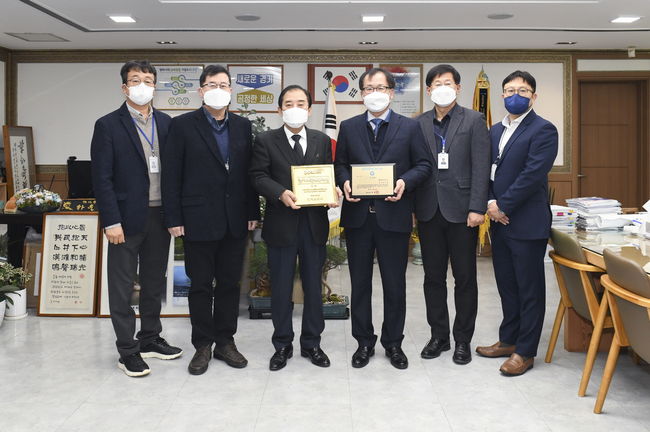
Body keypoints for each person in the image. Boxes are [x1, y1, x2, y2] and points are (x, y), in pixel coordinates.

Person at [161, 64, 260, 376]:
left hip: (235, 219)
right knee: (201, 285)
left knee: (230, 284)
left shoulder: (242, 126)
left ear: (231, 90)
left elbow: (248, 174)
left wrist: (252, 212)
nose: (218, 90)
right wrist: (173, 216)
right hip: (197, 218)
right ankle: (202, 344)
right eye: (212, 84)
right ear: (200, 90)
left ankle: (225, 342)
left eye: (224, 85)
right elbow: (171, 175)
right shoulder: (181, 126)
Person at [334, 68, 432, 370]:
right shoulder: (349, 127)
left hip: (394, 217)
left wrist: (404, 182)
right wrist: (345, 181)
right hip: (359, 218)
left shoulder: (410, 127)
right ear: (362, 94)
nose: (374, 93)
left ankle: (393, 343)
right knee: (360, 284)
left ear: (391, 92)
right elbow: (340, 165)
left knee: (394, 285)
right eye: (369, 88)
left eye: (381, 88)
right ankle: (363, 342)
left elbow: (423, 165)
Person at [91, 60, 182, 377]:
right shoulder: (108, 125)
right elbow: (102, 178)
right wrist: (110, 221)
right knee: (121, 287)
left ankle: (150, 339)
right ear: (124, 87)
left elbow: (175, 173)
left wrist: (176, 215)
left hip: (160, 216)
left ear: (155, 86)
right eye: (135, 80)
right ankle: (127, 351)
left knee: (154, 283)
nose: (142, 85)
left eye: (148, 80)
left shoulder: (167, 123)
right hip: (125, 219)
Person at [250, 85, 341, 371]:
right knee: (280, 288)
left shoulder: (321, 140)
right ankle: (282, 344)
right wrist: (280, 193)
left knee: (314, 288)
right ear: (279, 109)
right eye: (288, 103)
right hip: (281, 225)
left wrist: (332, 191)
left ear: (309, 109)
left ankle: (312, 343)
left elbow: (328, 174)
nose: (295, 108)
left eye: (301, 103)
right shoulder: (266, 140)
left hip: (314, 225)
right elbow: (257, 176)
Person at [475, 70, 558, 376]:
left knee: (529, 289)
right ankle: (508, 340)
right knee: (507, 286)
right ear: (501, 95)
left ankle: (525, 351)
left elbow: (532, 174)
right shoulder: (494, 130)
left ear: (533, 96)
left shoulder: (543, 129)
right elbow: (486, 170)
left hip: (526, 222)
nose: (515, 95)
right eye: (510, 90)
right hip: (500, 221)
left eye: (522, 91)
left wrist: (502, 205)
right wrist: (490, 204)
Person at [414, 64, 491, 366]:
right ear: (429, 90)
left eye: (448, 83)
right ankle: (439, 336)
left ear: (458, 88)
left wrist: (477, 207)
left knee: (465, 278)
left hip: (463, 212)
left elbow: (481, 166)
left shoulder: (474, 120)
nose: (442, 88)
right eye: (436, 83)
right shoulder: (418, 123)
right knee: (433, 278)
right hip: (428, 210)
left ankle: (462, 340)